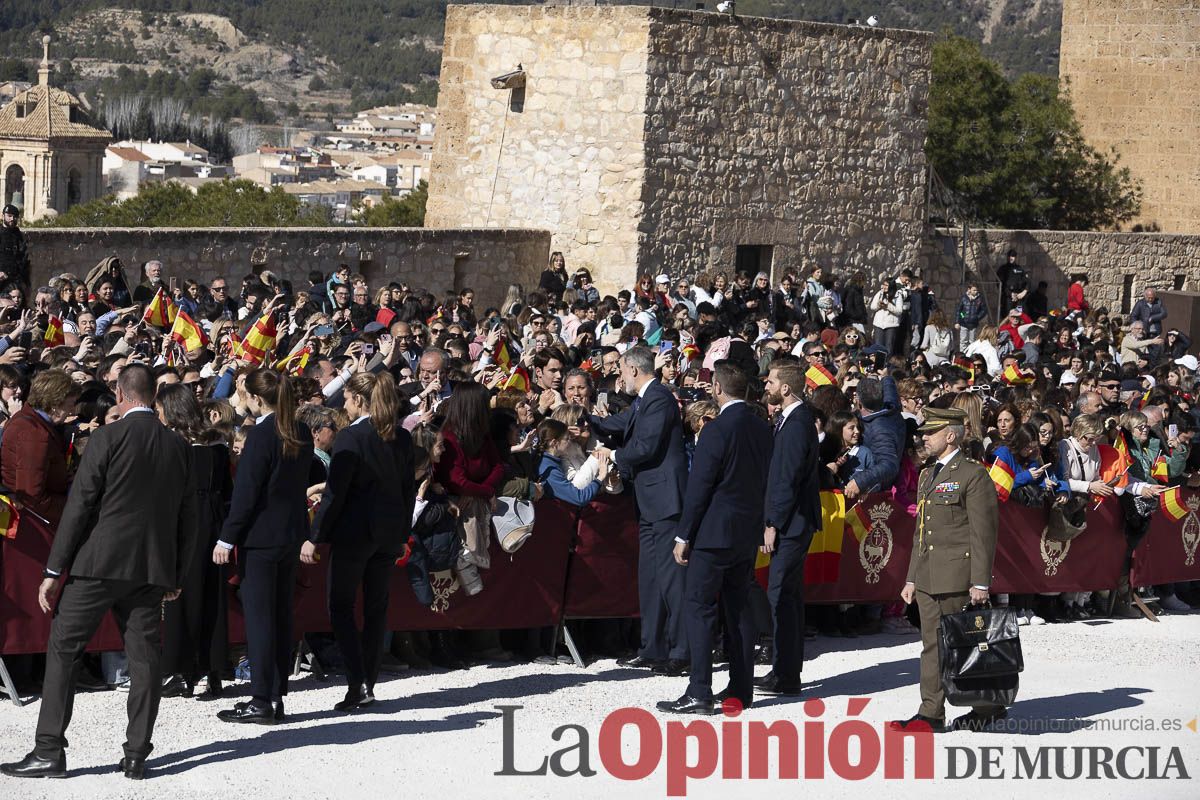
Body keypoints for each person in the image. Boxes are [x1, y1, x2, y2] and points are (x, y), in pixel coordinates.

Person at [1, 364, 196, 781]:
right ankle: (136, 754)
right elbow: (188, 517)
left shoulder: (107, 437)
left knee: (64, 647)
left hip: (98, 564)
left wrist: (55, 568)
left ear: (121, 395)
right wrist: (176, 574)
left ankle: (49, 749)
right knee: (144, 660)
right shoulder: (179, 447)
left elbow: (79, 506)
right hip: (150, 569)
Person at [656, 363, 772, 714]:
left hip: (712, 533)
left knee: (700, 607)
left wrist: (683, 534)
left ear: (718, 388)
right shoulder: (762, 427)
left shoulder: (716, 429)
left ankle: (699, 691)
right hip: (745, 531)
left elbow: (700, 487)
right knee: (738, 610)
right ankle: (740, 688)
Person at [303, 372, 414, 712]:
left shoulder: (351, 437)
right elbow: (407, 492)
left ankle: (358, 682)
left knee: (341, 606)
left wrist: (315, 536)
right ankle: (369, 680)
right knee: (376, 608)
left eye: (348, 399)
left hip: (354, 535)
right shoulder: (402, 437)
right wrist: (401, 534)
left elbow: (336, 494)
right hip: (386, 535)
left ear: (360, 400)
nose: (345, 406)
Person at [890, 407, 1003, 734]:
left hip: (957, 576)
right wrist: (911, 576)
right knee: (931, 646)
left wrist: (980, 581)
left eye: (930, 432)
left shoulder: (972, 474)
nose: (923, 437)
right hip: (927, 576)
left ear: (951, 435)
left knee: (964, 645)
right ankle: (931, 713)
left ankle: (986, 706)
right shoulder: (927, 474)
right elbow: (921, 531)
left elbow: (983, 532)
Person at [213, 369, 313, 725]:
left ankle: (260, 699)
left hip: (260, 539)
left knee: (259, 619)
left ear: (256, 399)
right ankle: (275, 695)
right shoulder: (299, 430)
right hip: (288, 535)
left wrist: (227, 537)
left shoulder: (260, 436)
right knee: (280, 616)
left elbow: (247, 493)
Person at [591, 346, 689, 673]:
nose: (619, 376)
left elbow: (645, 445)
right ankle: (652, 647)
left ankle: (681, 651)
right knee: (650, 578)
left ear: (633, 369)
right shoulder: (644, 400)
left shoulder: (659, 397)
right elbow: (618, 423)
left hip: (664, 501)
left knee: (671, 578)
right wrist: (581, 418)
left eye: (620, 370)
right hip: (648, 502)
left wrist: (613, 456)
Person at [756, 361, 821, 697]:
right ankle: (786, 672)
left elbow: (788, 479)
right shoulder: (791, 420)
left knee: (781, 595)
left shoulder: (796, 424)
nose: (766, 385)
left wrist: (773, 523)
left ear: (785, 388)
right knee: (788, 596)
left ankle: (784, 673)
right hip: (794, 520)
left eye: (771, 381)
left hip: (792, 522)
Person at [0, 203, 30, 287]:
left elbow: (23, 257)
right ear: (3, 216)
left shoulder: (18, 234)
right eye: (9, 216)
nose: (12, 219)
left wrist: (27, 282)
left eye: (15, 217)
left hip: (16, 280)